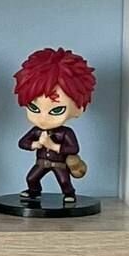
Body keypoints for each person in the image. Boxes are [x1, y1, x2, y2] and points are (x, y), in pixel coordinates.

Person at [13, 47, 96, 204]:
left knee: (64, 181)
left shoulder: (65, 133)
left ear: (78, 109)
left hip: (59, 163)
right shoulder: (37, 131)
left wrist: (53, 146)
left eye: (56, 110)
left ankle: (69, 194)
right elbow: (22, 142)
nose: (43, 118)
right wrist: (36, 144)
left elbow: (74, 149)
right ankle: (34, 192)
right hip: (41, 162)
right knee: (31, 178)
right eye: (34, 108)